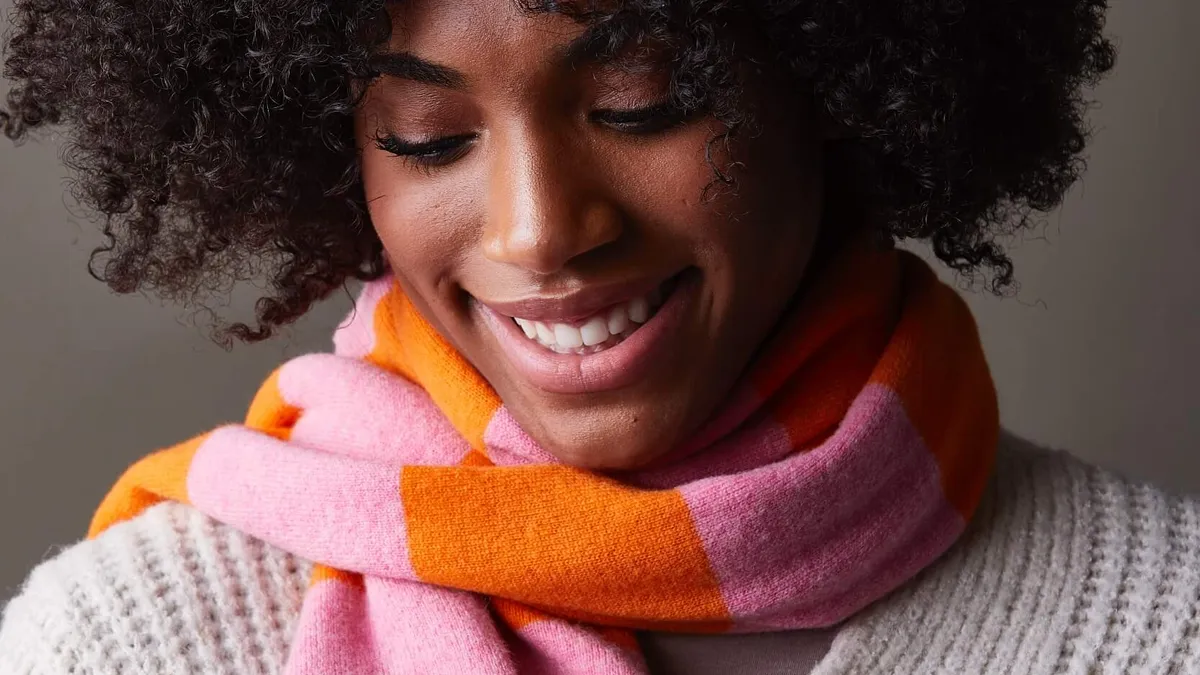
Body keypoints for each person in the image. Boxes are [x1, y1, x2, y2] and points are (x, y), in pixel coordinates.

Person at [1, 0, 1194, 673]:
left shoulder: (1165, 621)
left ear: (828, 91)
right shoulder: (130, 644)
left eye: (642, 106)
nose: (540, 231)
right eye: (427, 137)